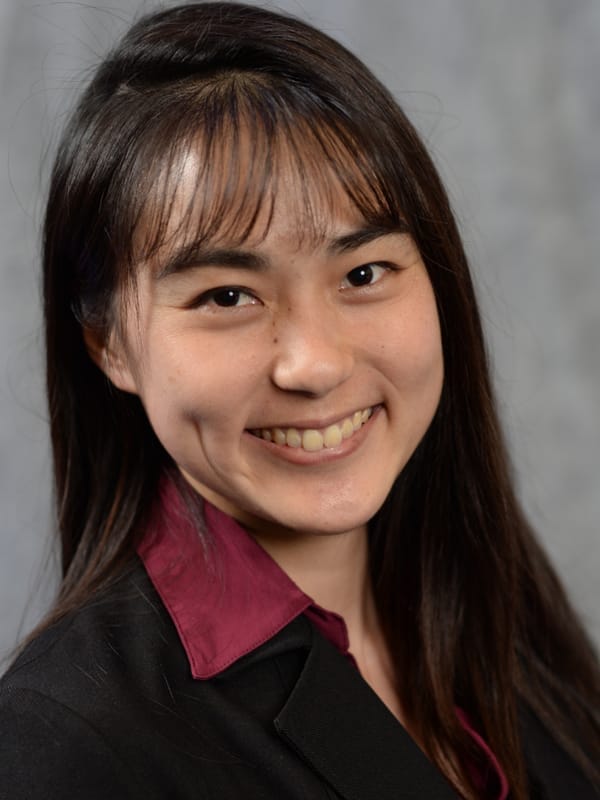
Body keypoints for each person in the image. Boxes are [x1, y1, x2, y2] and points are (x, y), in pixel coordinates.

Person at [0, 3, 598, 798]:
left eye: (362, 274)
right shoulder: (64, 743)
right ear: (108, 343)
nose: (314, 364)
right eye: (226, 295)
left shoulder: (498, 608)